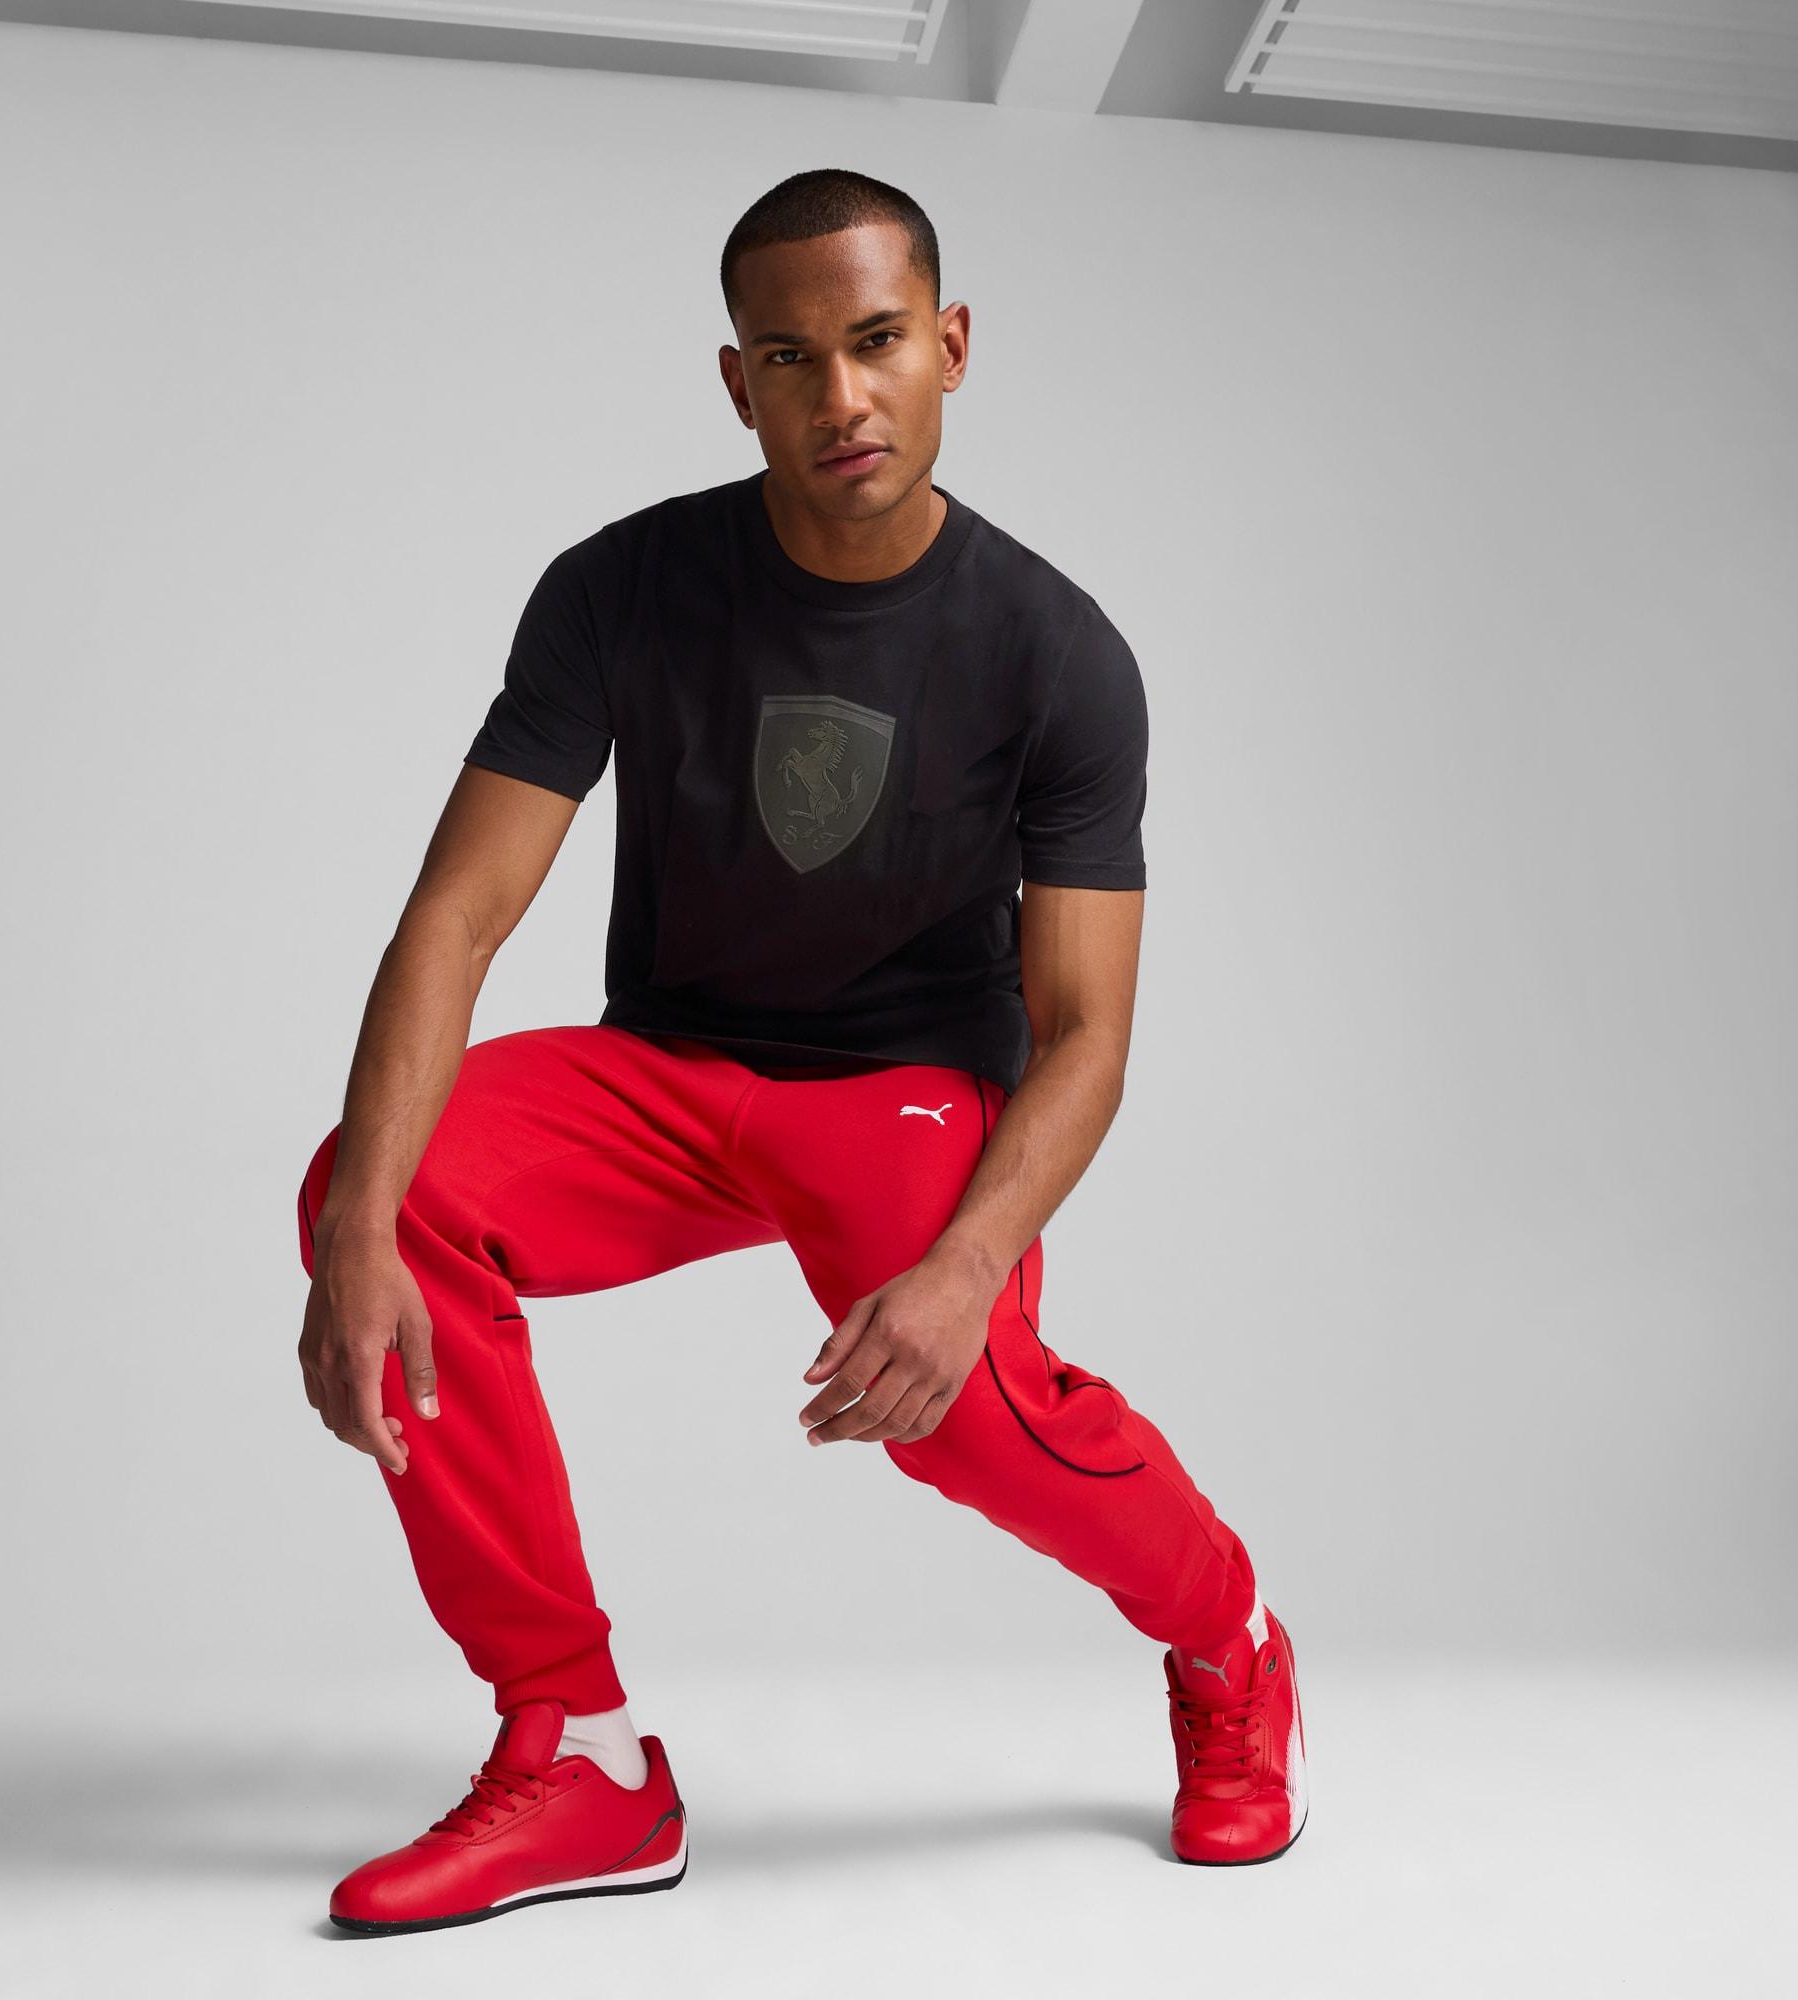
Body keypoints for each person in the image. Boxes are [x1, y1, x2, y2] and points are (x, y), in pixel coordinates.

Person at [295, 168, 1307, 1937]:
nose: (842, 396)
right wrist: (361, 1231)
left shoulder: (1057, 653)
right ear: (736, 381)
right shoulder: (621, 588)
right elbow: (453, 918)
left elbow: (1086, 1034)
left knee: (969, 1413)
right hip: (667, 1076)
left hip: (901, 1089)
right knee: (378, 1198)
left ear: (952, 346)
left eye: (878, 341)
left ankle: (1230, 1637)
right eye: (790, 357)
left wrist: (965, 1273)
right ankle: (582, 1752)